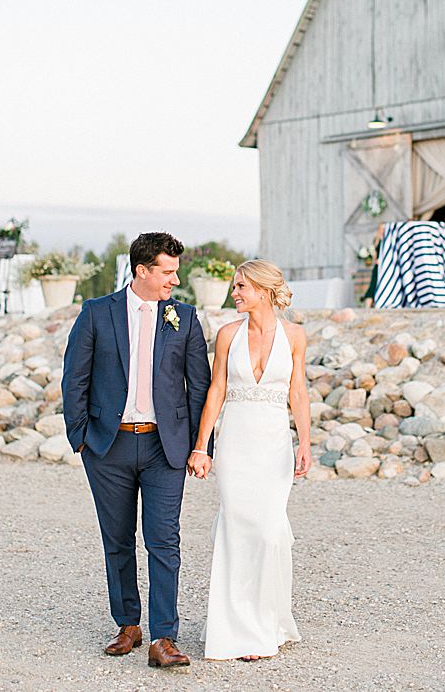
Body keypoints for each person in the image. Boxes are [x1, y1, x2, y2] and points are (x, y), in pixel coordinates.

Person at [62, 231, 210, 668]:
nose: (174, 280)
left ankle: (164, 637)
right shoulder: (96, 313)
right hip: (109, 446)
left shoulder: (184, 316)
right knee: (117, 540)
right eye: (167, 271)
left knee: (165, 540)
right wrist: (82, 438)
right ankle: (128, 623)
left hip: (167, 448)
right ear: (141, 270)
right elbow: (75, 379)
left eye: (176, 272)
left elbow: (198, 386)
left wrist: (200, 445)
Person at [188, 259, 311, 660]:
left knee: (269, 531)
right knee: (237, 530)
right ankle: (235, 628)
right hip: (236, 443)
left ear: (262, 289)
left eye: (241, 286)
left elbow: (298, 393)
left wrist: (305, 443)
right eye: (234, 286)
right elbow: (217, 391)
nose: (234, 293)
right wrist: (201, 445)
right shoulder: (227, 335)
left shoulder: (294, 336)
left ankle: (266, 622)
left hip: (274, 444)